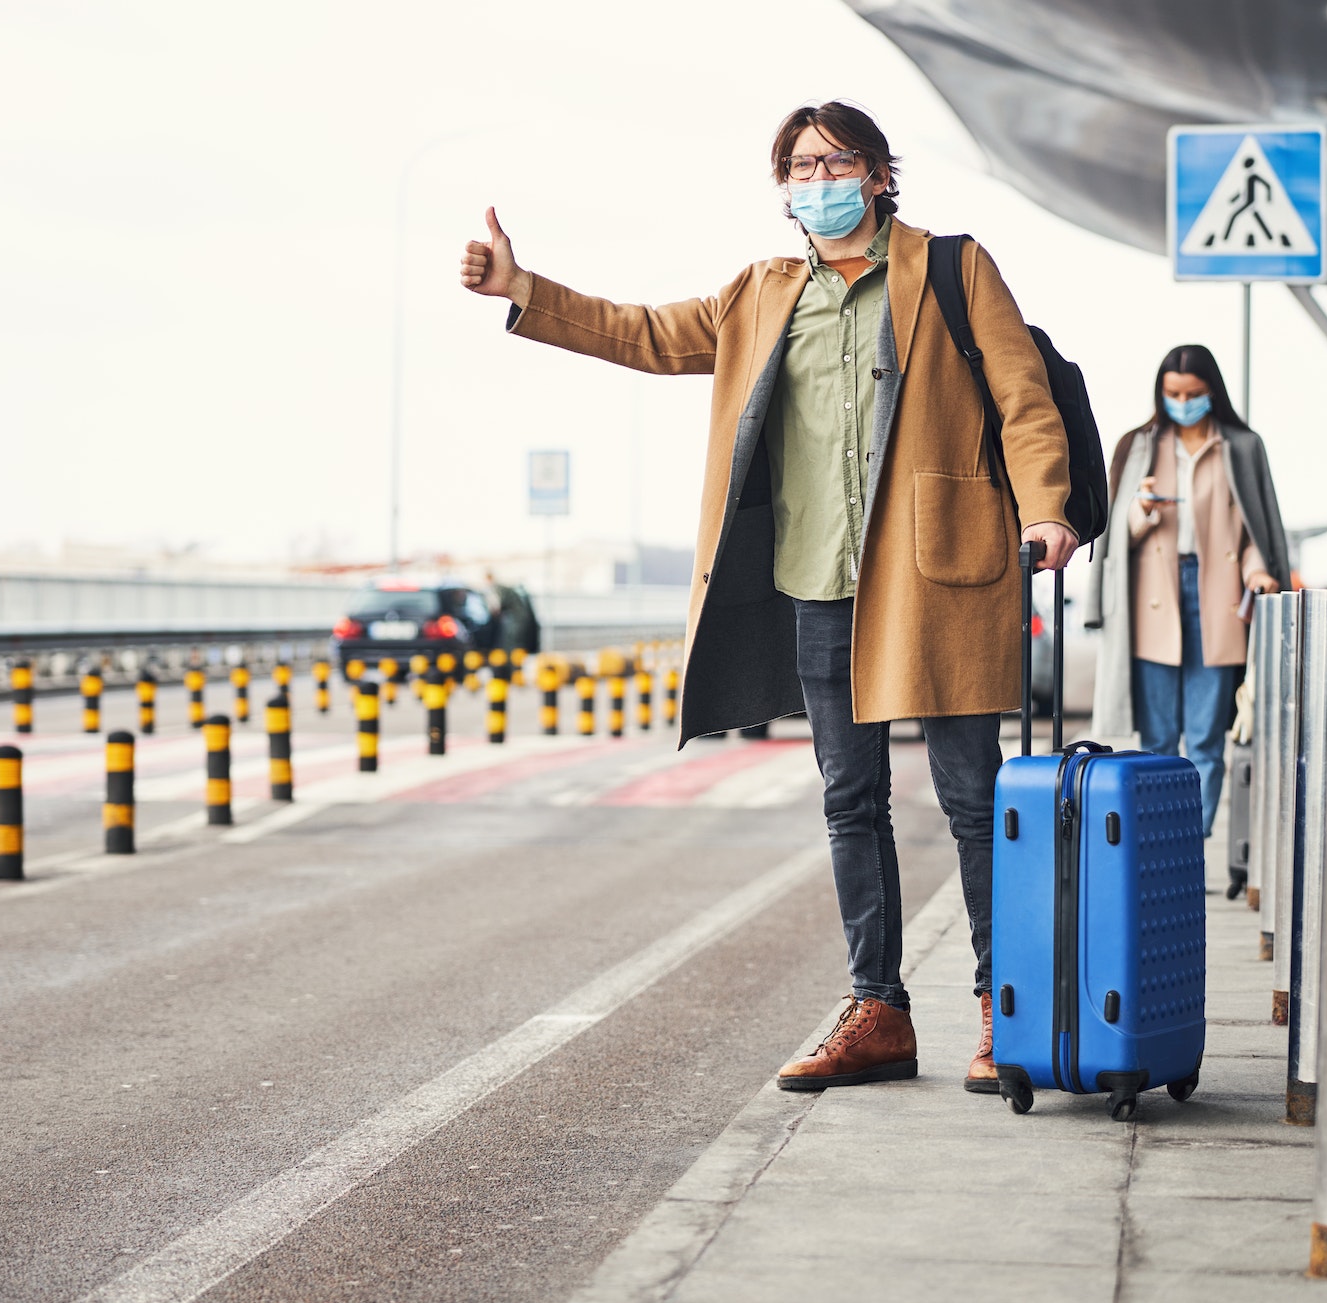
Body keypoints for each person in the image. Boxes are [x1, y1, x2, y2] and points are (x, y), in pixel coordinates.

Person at [459, 102, 1074, 1096]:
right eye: (796, 165)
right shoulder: (760, 291)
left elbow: (1023, 397)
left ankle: (999, 1012)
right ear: (781, 188)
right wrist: (522, 287)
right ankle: (877, 1009)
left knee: (972, 799)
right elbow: (648, 334)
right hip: (816, 580)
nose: (815, 179)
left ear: (878, 173)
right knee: (848, 798)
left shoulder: (951, 270)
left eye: (833, 161)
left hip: (939, 572)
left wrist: (1044, 507)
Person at [1083, 345, 1289, 837]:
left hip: (1218, 598)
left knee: (1205, 739)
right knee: (1156, 739)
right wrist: (1141, 513)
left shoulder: (1241, 445)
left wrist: (1261, 572)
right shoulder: (1138, 445)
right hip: (1153, 596)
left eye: (1193, 394)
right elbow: (1114, 532)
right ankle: (1154, 843)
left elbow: (1253, 526)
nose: (1182, 402)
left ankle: (1190, 846)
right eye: (1173, 394)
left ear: (1212, 391)